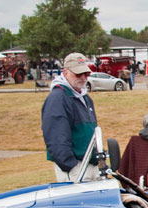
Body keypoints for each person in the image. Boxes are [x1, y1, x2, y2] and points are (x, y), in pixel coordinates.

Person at [41, 52, 102, 182]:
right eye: (78, 73)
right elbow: (56, 138)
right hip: (76, 169)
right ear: (66, 72)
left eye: (86, 73)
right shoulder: (58, 98)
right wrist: (71, 166)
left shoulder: (85, 98)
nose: (83, 77)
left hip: (91, 165)